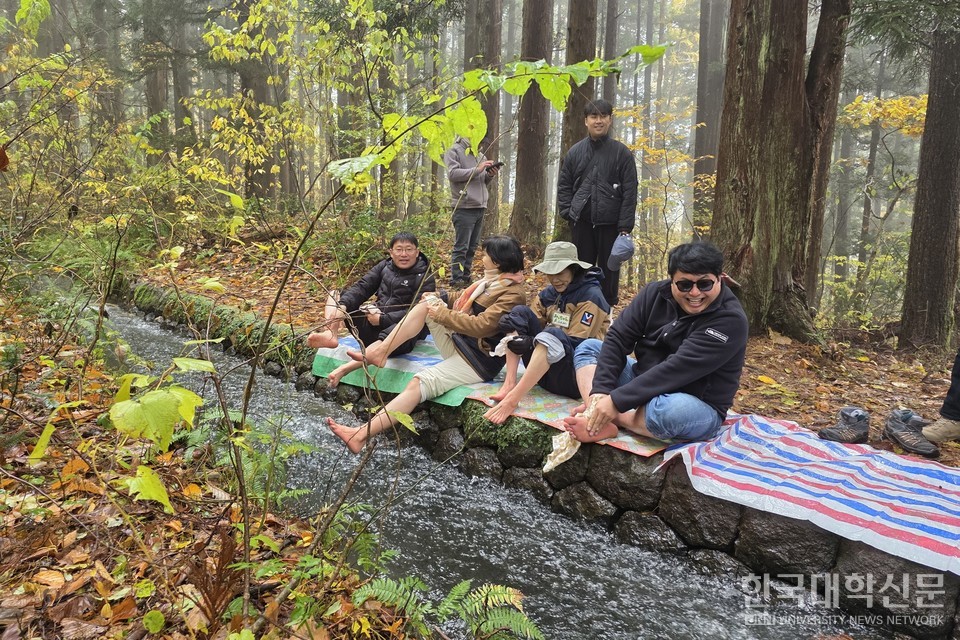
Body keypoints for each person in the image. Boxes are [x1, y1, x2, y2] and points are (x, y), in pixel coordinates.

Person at [328, 235, 526, 454]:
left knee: (417, 383)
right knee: (426, 304)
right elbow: (458, 296)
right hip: (460, 344)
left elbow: (483, 326)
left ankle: (360, 435)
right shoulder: (490, 282)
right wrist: (437, 297)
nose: (482, 257)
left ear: (497, 261)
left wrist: (441, 313)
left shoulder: (512, 293)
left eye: (486, 255)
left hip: (476, 360)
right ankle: (382, 351)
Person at [563, 241, 748, 444]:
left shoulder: (730, 320)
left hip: (694, 403)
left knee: (669, 412)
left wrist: (616, 402)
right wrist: (601, 391)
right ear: (672, 280)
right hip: (641, 381)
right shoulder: (654, 293)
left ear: (719, 279)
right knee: (589, 347)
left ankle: (605, 418)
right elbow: (617, 337)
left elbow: (677, 369)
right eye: (685, 285)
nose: (695, 293)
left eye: (704, 284)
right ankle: (598, 413)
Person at [483, 242, 610, 425]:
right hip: (544, 373)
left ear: (573, 269)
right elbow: (530, 319)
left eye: (560, 273)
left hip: (574, 378)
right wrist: (514, 328)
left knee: (552, 334)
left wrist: (531, 342)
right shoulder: (549, 294)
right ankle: (509, 383)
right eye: (551, 273)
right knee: (518, 314)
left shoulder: (591, 296)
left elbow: (578, 343)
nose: (555, 279)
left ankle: (512, 400)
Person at [306, 232, 436, 386]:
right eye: (399, 249)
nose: (404, 254)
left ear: (417, 252)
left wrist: (382, 319)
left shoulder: (425, 276)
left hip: (399, 338)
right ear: (391, 252)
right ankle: (331, 333)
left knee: (400, 326)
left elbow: (417, 313)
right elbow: (362, 287)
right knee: (340, 295)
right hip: (372, 326)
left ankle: (346, 368)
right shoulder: (384, 266)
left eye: (409, 249)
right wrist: (343, 307)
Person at [557, 98, 638, 307]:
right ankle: (581, 310)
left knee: (609, 272)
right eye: (594, 116)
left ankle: (606, 313)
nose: (598, 121)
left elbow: (630, 191)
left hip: (611, 225)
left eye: (603, 116)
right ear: (586, 121)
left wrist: (624, 227)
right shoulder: (575, 152)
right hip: (581, 223)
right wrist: (567, 211)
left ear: (610, 120)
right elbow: (564, 184)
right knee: (581, 270)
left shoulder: (622, 153)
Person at [444, 136, 500, 287]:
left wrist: (490, 175)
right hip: (464, 206)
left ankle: (466, 277)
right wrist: (478, 169)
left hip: (480, 206)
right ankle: (456, 280)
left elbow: (482, 181)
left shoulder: (481, 155)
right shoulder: (454, 150)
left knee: (473, 245)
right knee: (461, 246)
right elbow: (453, 174)